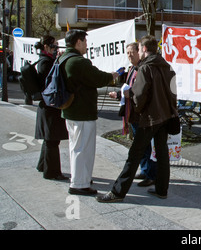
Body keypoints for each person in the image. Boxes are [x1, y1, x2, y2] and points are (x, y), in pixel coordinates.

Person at [97, 35, 177, 203]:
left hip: (149, 118)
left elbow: (138, 96)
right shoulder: (168, 67)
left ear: (144, 49)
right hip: (165, 117)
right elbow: (173, 93)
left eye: (139, 49)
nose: (138, 52)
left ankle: (118, 192)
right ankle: (162, 190)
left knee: (134, 155)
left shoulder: (145, 68)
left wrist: (128, 98)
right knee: (162, 154)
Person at [61, 29, 119, 196]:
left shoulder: (64, 58)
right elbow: (98, 78)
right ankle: (79, 184)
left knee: (76, 147)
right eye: (85, 42)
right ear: (78, 42)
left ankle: (81, 178)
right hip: (82, 112)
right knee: (83, 149)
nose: (87, 45)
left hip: (72, 111)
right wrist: (112, 75)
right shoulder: (78, 62)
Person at [108, 42, 157, 187]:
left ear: (139, 52)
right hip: (133, 114)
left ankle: (151, 175)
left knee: (145, 146)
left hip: (141, 114)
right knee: (139, 145)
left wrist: (121, 94)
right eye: (127, 53)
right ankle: (145, 170)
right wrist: (119, 95)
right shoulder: (131, 69)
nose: (129, 55)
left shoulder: (142, 69)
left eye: (132, 52)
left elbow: (138, 92)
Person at [35, 36, 69, 180]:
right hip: (49, 106)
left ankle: (43, 165)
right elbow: (52, 81)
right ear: (47, 47)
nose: (57, 49)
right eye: (55, 46)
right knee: (52, 140)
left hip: (47, 106)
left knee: (49, 139)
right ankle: (52, 172)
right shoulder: (45, 62)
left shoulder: (46, 61)